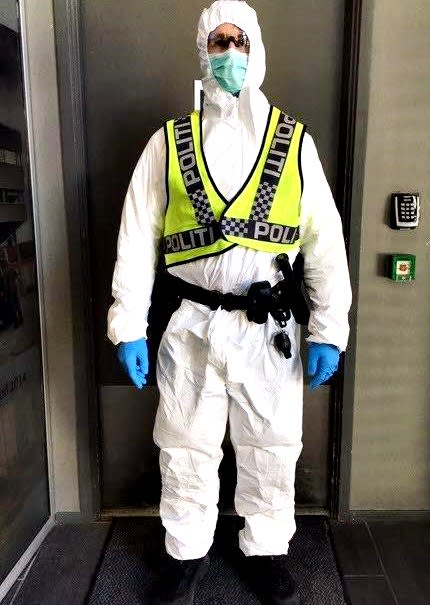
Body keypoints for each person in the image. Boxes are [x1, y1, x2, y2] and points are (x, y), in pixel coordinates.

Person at [107, 1, 352, 603]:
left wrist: (329, 328)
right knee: (184, 444)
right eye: (218, 42)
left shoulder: (294, 143)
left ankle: (265, 549)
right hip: (191, 324)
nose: (230, 54)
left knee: (272, 445)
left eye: (239, 41)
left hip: (268, 329)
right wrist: (128, 324)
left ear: (256, 47)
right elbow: (136, 237)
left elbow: (324, 243)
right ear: (202, 50)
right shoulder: (168, 144)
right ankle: (185, 552)